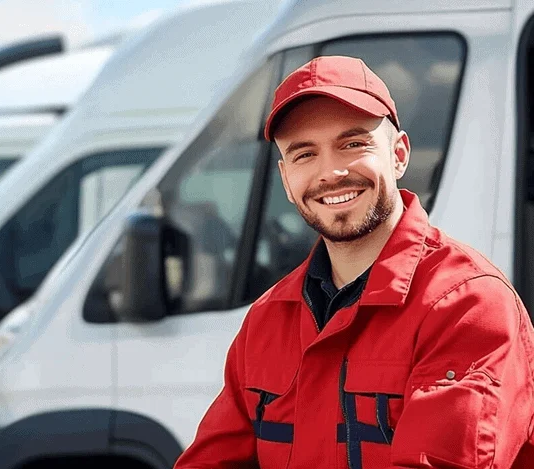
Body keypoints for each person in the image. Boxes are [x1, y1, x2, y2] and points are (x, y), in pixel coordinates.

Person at [173, 56, 534, 469]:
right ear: (286, 179)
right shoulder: (267, 320)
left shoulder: (466, 305)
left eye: (353, 143)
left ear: (398, 154)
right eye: (305, 154)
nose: (332, 172)